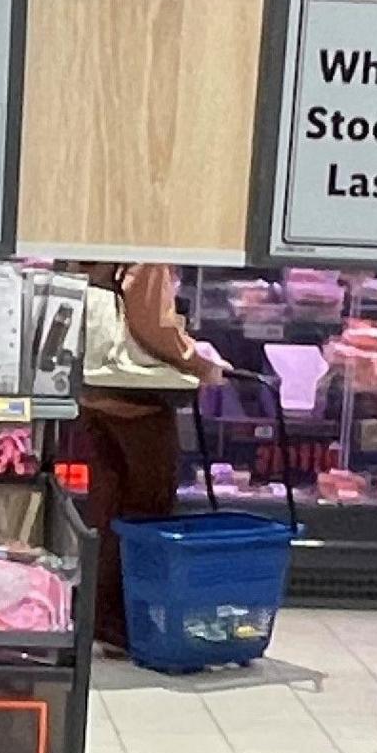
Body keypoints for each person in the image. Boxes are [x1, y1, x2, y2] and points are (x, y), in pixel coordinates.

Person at [75, 263, 230, 657]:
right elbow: (152, 326)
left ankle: (97, 615)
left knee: (106, 509)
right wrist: (200, 363)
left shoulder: (96, 232)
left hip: (95, 388)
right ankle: (133, 621)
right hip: (136, 399)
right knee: (148, 508)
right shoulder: (147, 246)